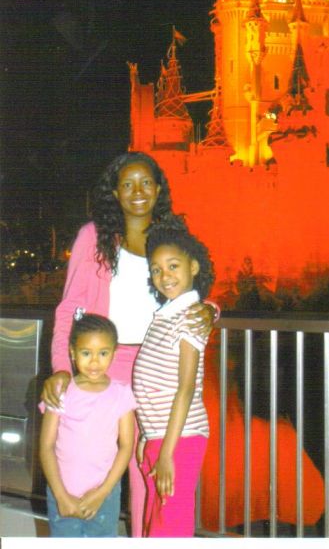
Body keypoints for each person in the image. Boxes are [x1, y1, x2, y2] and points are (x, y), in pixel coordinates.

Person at [40, 151, 218, 537]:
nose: (137, 192)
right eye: (127, 184)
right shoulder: (93, 237)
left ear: (158, 188)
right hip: (106, 369)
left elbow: (193, 286)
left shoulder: (169, 237)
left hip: (160, 372)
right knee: (91, 462)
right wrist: (61, 368)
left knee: (150, 477)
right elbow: (69, 306)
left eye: (145, 183)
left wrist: (212, 310)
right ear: (115, 193)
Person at [133, 216, 214, 537]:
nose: (164, 276)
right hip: (160, 436)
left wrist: (166, 453)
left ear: (193, 267)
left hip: (179, 440)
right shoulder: (167, 314)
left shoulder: (189, 318)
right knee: (158, 522)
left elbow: (185, 389)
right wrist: (146, 436)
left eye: (173, 266)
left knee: (171, 528)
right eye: (156, 269)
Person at [39, 312, 136, 538]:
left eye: (103, 353)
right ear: (72, 353)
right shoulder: (60, 391)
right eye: (86, 353)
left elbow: (126, 446)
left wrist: (102, 493)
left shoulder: (121, 394)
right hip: (62, 490)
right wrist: (61, 495)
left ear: (114, 353)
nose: (94, 361)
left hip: (105, 494)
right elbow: (46, 446)